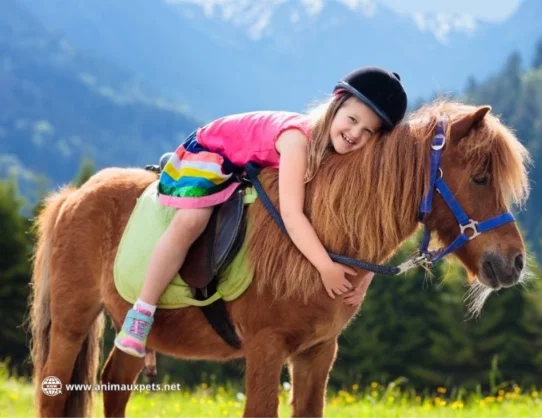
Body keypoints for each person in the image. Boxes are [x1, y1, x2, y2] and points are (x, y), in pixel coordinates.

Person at [114, 66, 408, 357]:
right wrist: (325, 267)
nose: (355, 133)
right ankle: (142, 312)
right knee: (191, 221)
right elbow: (292, 216)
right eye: (352, 119)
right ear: (335, 107)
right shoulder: (299, 142)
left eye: (367, 131)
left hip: (246, 165)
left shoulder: (344, 153)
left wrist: (366, 276)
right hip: (214, 153)